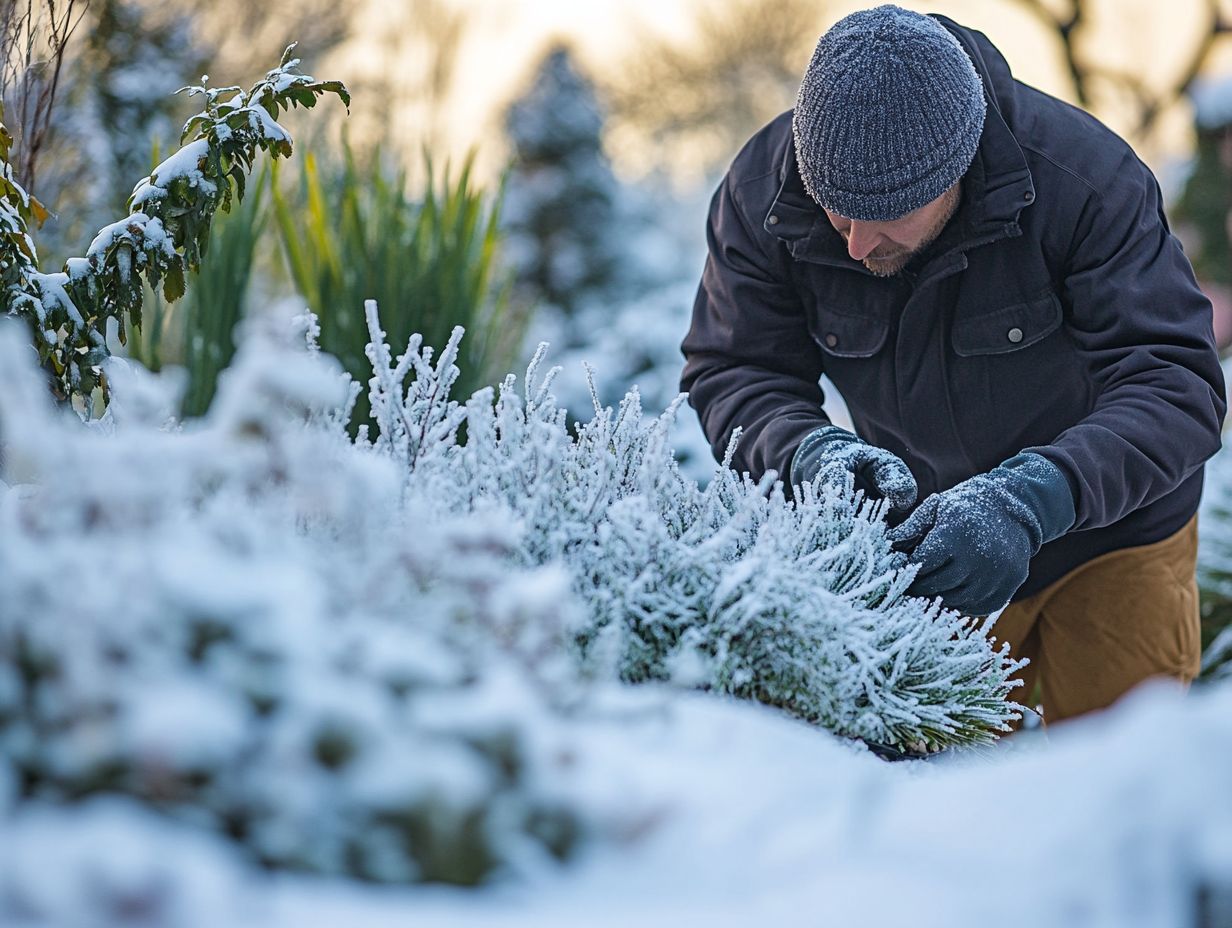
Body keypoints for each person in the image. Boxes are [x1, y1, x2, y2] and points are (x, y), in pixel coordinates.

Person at [680, 4, 1227, 725]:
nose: (852, 244)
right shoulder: (764, 196)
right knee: (930, 796)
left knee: (1109, 792)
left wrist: (1033, 498)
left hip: (1112, 535)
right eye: (837, 212)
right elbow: (734, 368)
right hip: (927, 549)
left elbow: (1176, 384)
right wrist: (807, 455)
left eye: (885, 216)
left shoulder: (1088, 183)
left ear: (961, 166)